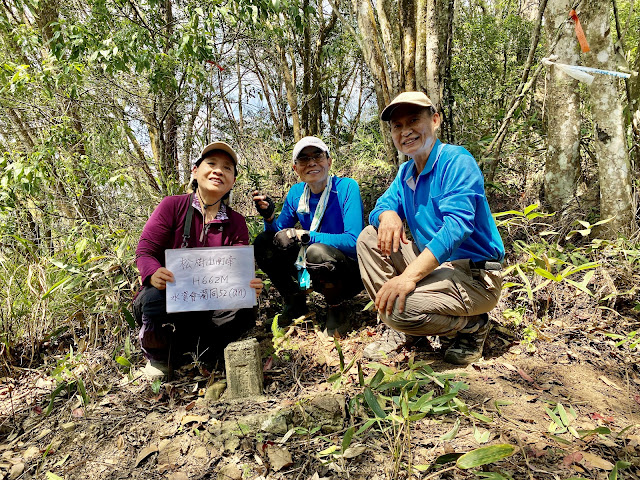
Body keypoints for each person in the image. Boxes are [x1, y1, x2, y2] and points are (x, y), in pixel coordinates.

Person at [357, 92, 505, 365]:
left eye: (414, 120)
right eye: (397, 126)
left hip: (474, 276)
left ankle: (472, 325)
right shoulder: (406, 174)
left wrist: (408, 278)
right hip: (438, 269)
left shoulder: (455, 161)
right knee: (368, 237)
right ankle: (407, 329)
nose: (406, 131)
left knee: (396, 310)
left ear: (435, 120)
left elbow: (457, 227)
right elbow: (378, 209)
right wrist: (387, 214)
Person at [133, 142, 263, 377]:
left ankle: (208, 353)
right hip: (172, 300)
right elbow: (145, 250)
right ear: (195, 171)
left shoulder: (236, 222)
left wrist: (249, 286)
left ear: (233, 180)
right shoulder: (172, 206)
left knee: (246, 308)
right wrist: (152, 273)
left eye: (227, 168)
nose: (218, 171)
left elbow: (239, 273)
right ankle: (161, 358)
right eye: (211, 164)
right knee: (152, 301)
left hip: (210, 307)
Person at [252, 136, 364, 336]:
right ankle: (295, 303)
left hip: (348, 272)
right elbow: (279, 237)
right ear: (296, 169)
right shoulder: (296, 193)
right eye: (303, 159)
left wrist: (306, 235)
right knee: (263, 243)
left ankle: (336, 308)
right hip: (314, 266)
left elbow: (354, 241)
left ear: (329, 161)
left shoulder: (347, 188)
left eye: (318, 156)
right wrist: (269, 218)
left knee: (316, 251)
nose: (312, 162)